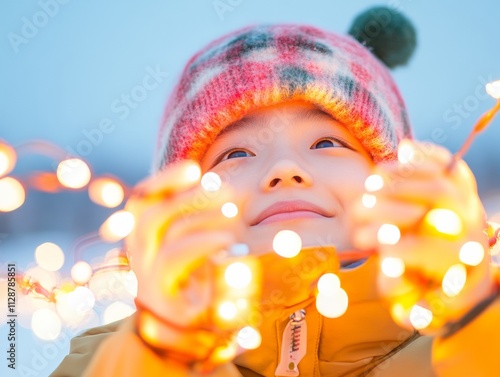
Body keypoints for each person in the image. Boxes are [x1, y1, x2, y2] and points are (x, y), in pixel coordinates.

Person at [50, 7, 499, 377]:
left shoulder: (469, 334)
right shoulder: (107, 361)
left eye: (326, 142)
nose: (284, 168)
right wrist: (167, 354)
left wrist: (476, 310)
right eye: (237, 153)